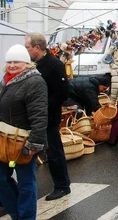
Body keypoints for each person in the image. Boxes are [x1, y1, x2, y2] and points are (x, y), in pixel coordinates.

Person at [0, 45, 47, 220]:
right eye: (9, 61)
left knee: (26, 181)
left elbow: (40, 115)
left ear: (26, 64)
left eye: (16, 62)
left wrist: (34, 143)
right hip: (6, 143)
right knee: (2, 179)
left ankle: (26, 217)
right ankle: (17, 214)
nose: (12, 65)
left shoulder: (34, 82)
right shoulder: (6, 80)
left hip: (24, 144)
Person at [25, 33, 71, 201]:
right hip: (31, 116)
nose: (26, 50)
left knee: (53, 151)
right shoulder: (32, 64)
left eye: (27, 47)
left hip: (48, 116)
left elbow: (62, 93)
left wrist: (42, 107)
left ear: (37, 48)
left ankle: (62, 186)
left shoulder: (54, 65)